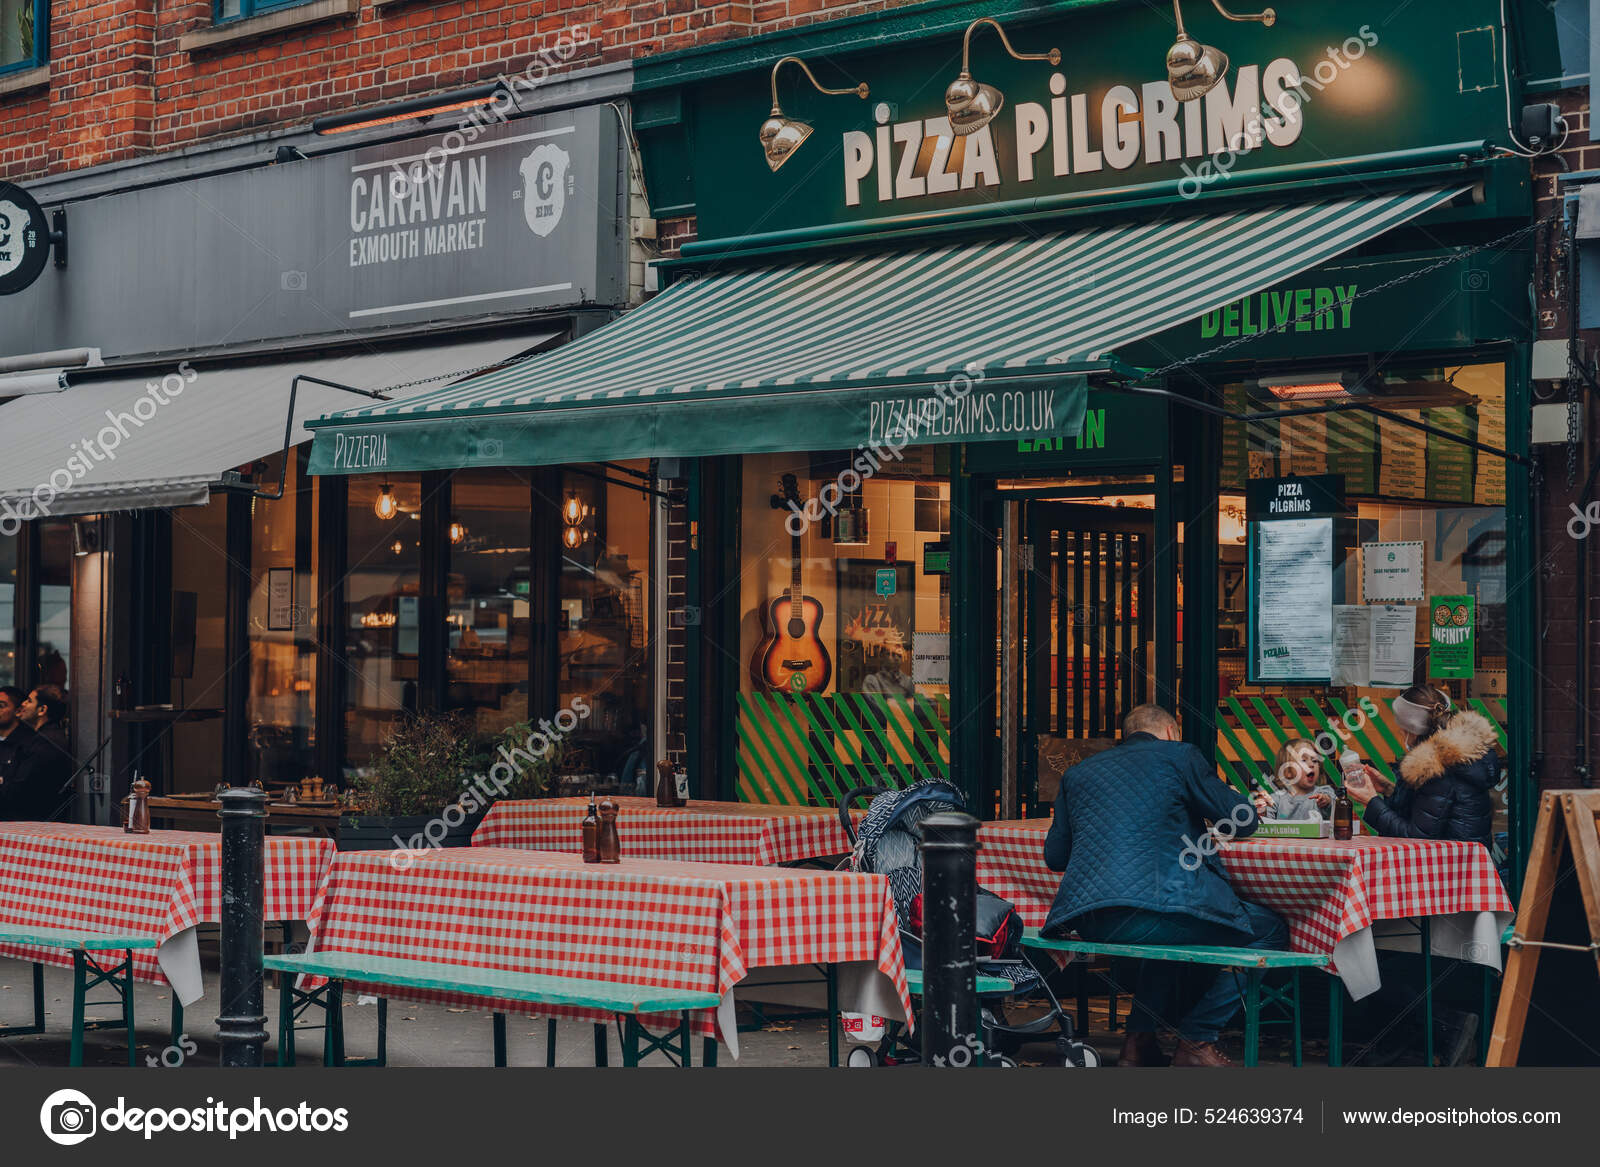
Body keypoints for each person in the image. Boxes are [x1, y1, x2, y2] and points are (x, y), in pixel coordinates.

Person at [1042, 703, 1288, 1067]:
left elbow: (1055, 856)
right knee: (1272, 930)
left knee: (1168, 935)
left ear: (1128, 734)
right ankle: (1197, 1039)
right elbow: (1243, 821)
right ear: (1172, 732)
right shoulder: (1180, 756)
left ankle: (1137, 1043)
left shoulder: (1078, 773)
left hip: (1092, 920)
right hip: (1159, 910)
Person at [1343, 684, 1498, 851]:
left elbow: (1416, 838)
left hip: (1449, 863)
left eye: (1402, 730)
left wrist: (1371, 801)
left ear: (1413, 730)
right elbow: (1428, 811)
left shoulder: (1438, 768)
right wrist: (1388, 789)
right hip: (1466, 859)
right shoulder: (1462, 755)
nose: (1401, 733)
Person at [0, 685, 52, 820]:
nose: (25, 704)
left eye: (1, 706)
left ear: (18, 711)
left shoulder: (32, 742)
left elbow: (18, 789)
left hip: (17, 819)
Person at [22, 685, 73, 820]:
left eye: (29, 701)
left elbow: (25, 785)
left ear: (42, 710)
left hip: (38, 819)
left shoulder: (47, 742)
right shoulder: (44, 737)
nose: (23, 704)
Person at [1253, 737, 1336, 820]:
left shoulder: (1323, 792)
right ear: (1287, 771)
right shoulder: (1276, 799)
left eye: (1314, 760)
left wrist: (1326, 801)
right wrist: (1262, 811)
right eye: (1303, 760)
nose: (1311, 764)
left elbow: (1333, 805)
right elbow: (1267, 821)